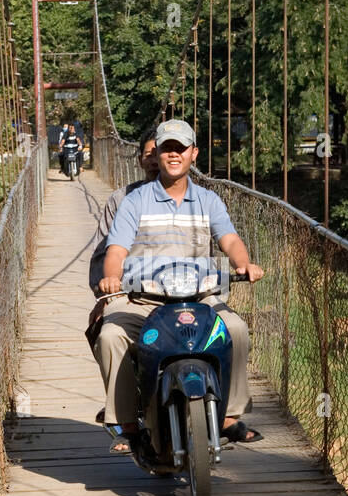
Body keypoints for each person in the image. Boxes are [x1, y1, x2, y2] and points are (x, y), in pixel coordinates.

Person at [94, 118, 264, 445]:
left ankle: (229, 415)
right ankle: (128, 425)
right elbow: (116, 249)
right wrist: (112, 275)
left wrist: (244, 264)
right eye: (167, 148)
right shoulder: (134, 201)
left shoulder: (209, 201)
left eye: (181, 148)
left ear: (194, 154)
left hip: (199, 296)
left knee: (236, 330)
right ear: (156, 154)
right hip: (142, 299)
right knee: (111, 336)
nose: (174, 155)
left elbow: (229, 239)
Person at [88, 129, 159, 453]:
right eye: (150, 153)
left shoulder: (196, 198)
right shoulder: (120, 199)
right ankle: (125, 413)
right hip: (132, 292)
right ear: (141, 159)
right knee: (104, 332)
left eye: (166, 150)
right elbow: (104, 253)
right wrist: (106, 288)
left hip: (184, 292)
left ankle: (221, 414)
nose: (157, 158)